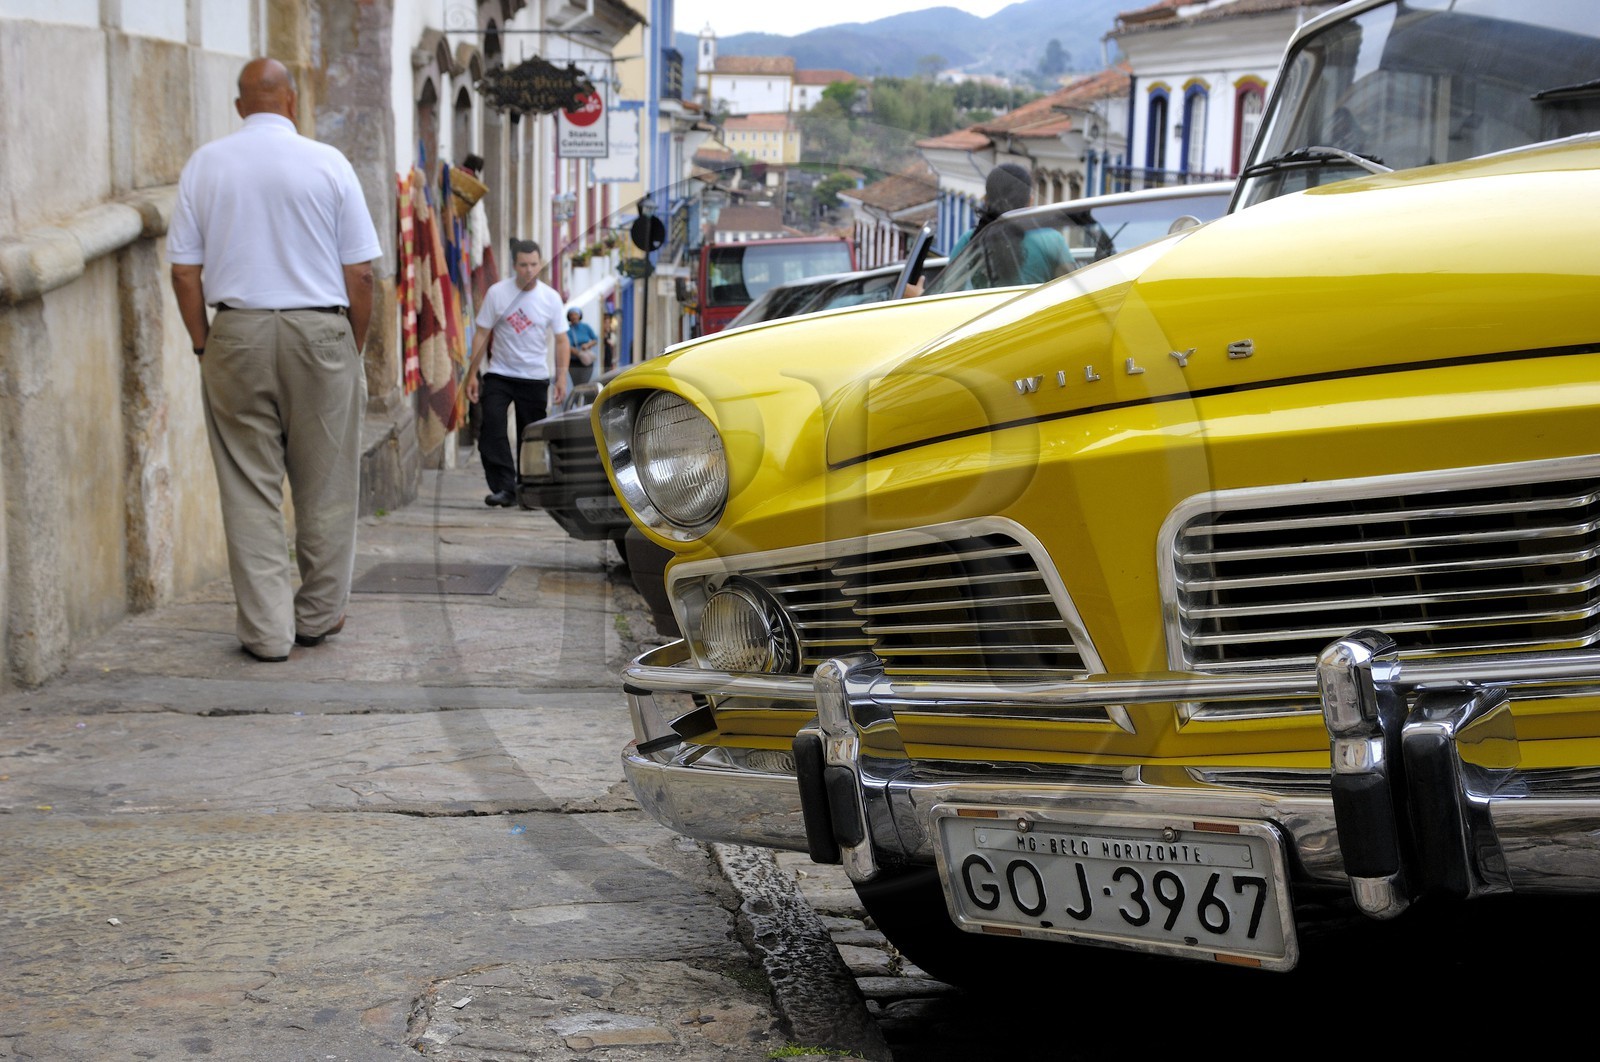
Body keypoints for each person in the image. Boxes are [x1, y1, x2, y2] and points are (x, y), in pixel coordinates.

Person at [168, 57, 381, 664]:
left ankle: (265, 633)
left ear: (241, 106)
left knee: (247, 486)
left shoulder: (205, 164)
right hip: (321, 330)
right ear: (293, 101)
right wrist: (352, 348)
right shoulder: (328, 163)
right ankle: (315, 616)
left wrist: (203, 343)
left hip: (235, 330)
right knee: (329, 483)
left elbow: (185, 272)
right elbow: (361, 273)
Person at [465, 239, 569, 508]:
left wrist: (560, 378)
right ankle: (505, 487)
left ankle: (528, 488)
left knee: (531, 435)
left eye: (534, 264)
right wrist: (472, 375)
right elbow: (481, 334)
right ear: (514, 266)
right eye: (523, 265)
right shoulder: (497, 293)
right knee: (492, 427)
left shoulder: (550, 298)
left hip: (534, 377)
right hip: (500, 373)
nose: (529, 270)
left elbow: (561, 340)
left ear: (540, 263)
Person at [942, 161, 1071, 288]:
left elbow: (946, 294)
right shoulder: (1053, 240)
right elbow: (1071, 292)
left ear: (986, 200)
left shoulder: (970, 240)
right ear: (1030, 201)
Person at [565, 307, 599, 388]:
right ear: (569, 317)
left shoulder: (586, 327)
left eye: (575, 314)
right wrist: (579, 353)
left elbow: (595, 339)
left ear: (579, 315)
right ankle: (578, 400)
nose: (574, 317)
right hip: (574, 362)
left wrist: (587, 345)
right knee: (576, 384)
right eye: (571, 315)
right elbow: (567, 345)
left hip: (587, 361)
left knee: (584, 383)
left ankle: (583, 399)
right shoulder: (567, 330)